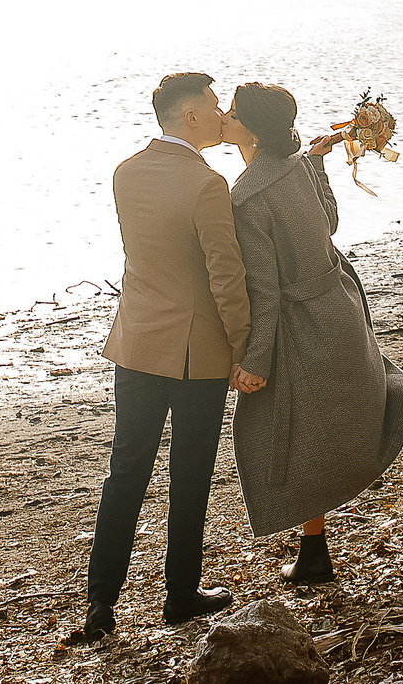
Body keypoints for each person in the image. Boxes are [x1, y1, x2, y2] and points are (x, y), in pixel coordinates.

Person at [222, 82, 403, 586]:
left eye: (231, 111)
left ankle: (314, 551)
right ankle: (315, 551)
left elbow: (264, 289)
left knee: (291, 431)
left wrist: (254, 359)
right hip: (340, 295)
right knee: (334, 411)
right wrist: (316, 164)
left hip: (301, 320)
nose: (224, 115)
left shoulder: (246, 198)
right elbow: (329, 223)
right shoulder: (295, 169)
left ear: (250, 127)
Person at [64, 72, 257, 646]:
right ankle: (180, 594)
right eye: (215, 105)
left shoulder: (126, 172)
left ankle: (101, 605)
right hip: (196, 352)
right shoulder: (207, 184)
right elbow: (225, 274)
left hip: (138, 341)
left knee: (125, 470)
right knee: (189, 473)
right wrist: (245, 345)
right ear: (191, 115)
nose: (222, 113)